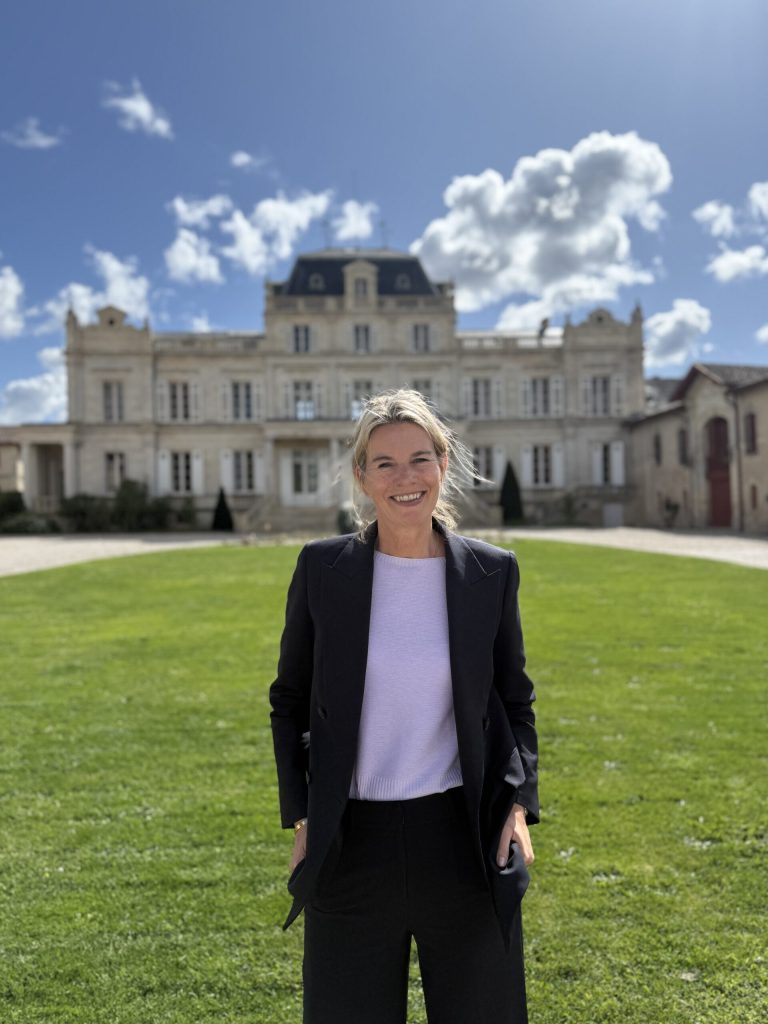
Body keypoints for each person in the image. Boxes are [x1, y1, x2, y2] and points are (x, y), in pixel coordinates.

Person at [269, 388, 539, 1024]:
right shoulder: (322, 568)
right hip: (351, 843)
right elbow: (290, 700)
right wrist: (305, 815)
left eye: (419, 458)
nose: (404, 477)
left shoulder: (492, 572)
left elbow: (514, 698)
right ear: (362, 476)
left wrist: (520, 804)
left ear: (444, 463)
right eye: (384, 463)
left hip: (464, 838)